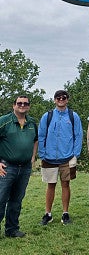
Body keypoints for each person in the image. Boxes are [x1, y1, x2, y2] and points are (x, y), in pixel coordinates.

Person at [39, 90, 83, 225]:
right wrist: (42, 153)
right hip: (49, 157)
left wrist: (75, 154)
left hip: (67, 157)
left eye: (64, 97)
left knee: (66, 185)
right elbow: (41, 136)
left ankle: (65, 213)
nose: (61, 99)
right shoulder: (47, 116)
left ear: (67, 99)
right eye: (58, 98)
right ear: (54, 100)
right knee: (50, 185)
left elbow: (78, 135)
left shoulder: (73, 116)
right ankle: (48, 214)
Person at [0, 95, 37, 238]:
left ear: (29, 106)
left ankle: (12, 229)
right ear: (13, 105)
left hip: (25, 168)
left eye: (25, 103)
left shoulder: (32, 123)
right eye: (19, 103)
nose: (22, 105)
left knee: (16, 200)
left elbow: (35, 140)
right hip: (7, 167)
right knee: (1, 199)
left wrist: (33, 157)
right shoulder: (4, 121)